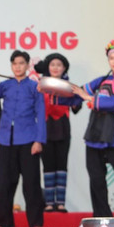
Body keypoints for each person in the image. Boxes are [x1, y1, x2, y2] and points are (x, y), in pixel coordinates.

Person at [0, 50, 45, 227]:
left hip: (29, 140)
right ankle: (3, 223)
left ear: (27, 65)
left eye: (21, 63)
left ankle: (36, 224)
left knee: (31, 184)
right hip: (7, 140)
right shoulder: (4, 85)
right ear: (11, 66)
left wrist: (39, 140)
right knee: (5, 183)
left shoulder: (34, 86)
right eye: (14, 64)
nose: (18, 67)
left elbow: (40, 114)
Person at [71, 40, 114, 218]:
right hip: (94, 134)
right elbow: (77, 93)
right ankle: (102, 218)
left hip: (113, 135)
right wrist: (53, 90)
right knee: (96, 180)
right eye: (112, 58)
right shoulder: (101, 80)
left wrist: (89, 98)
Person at [34, 52, 81, 212]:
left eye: (59, 65)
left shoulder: (69, 86)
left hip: (63, 128)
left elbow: (76, 108)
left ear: (64, 68)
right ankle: (49, 203)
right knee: (48, 166)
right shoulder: (41, 85)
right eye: (52, 65)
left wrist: (76, 98)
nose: (55, 68)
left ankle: (60, 203)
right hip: (45, 128)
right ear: (48, 67)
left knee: (62, 165)